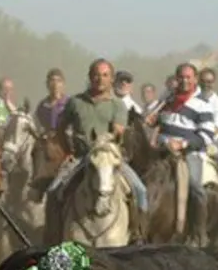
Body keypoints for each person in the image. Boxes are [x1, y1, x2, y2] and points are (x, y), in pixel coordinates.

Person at [52, 58, 147, 214]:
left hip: (109, 159)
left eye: (105, 75)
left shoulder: (117, 105)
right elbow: (61, 128)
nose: (100, 79)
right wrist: (67, 151)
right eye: (96, 75)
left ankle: (138, 234)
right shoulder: (75, 102)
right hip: (81, 158)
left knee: (140, 190)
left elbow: (118, 131)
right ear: (90, 77)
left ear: (111, 79)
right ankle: (53, 235)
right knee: (54, 191)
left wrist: (103, 147)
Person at [149, 62, 216, 242]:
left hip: (188, 155)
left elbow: (207, 135)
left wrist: (183, 144)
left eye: (188, 77)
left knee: (196, 188)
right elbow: (156, 122)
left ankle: (199, 232)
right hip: (162, 152)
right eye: (181, 77)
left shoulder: (203, 105)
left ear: (195, 79)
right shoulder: (168, 100)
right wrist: (151, 119)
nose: (185, 81)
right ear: (176, 79)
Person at [35, 68, 68, 133]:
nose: (55, 84)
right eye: (52, 80)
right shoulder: (42, 106)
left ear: (63, 84)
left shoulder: (69, 104)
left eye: (59, 81)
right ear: (47, 84)